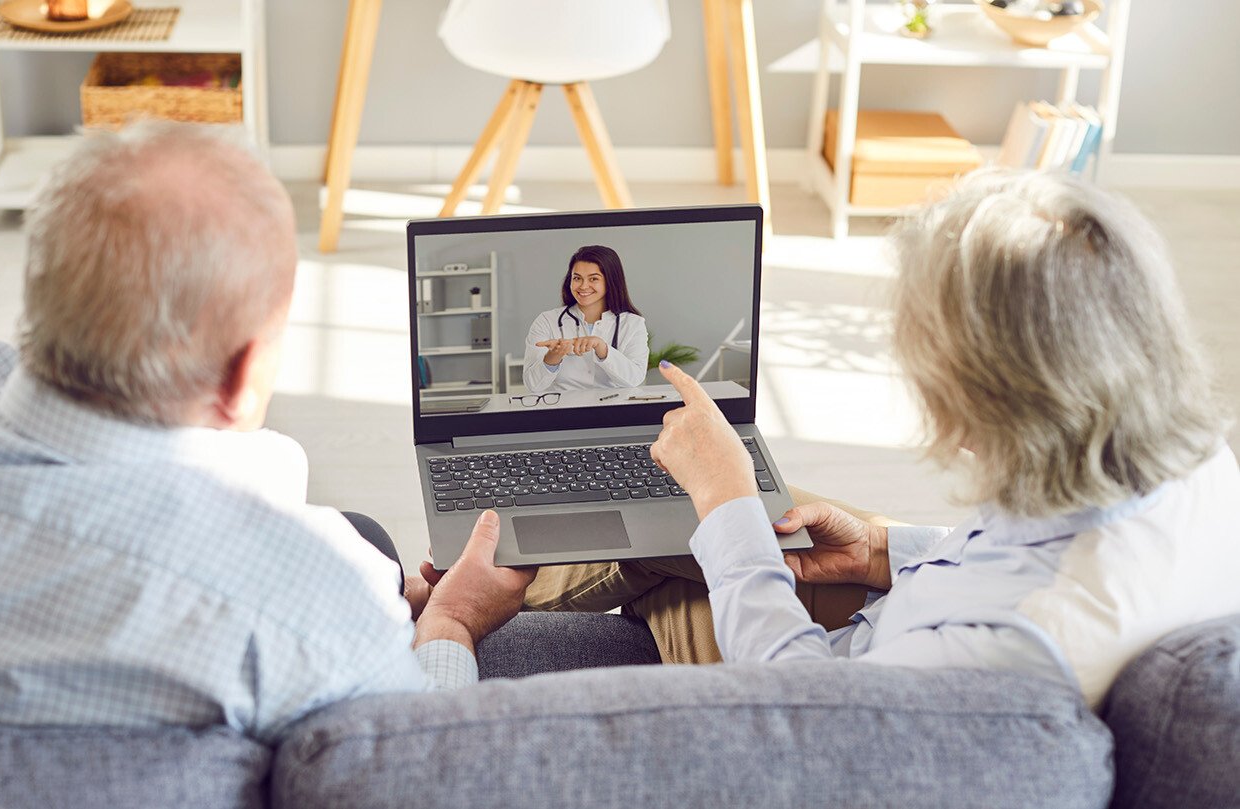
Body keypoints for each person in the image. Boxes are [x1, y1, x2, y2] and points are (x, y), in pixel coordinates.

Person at [525, 169, 1240, 708]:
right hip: (893, 609)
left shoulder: (1022, 646)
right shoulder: (1189, 458)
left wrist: (722, 502)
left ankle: (457, 611)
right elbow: (1020, 555)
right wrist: (880, 552)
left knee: (686, 527)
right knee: (710, 506)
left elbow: (814, 710)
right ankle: (483, 583)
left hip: (811, 686)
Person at [0, 122, 534, 744]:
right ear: (242, 375)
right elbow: (415, 760)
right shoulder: (293, 608)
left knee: (368, 539)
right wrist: (454, 617)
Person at [523, 245, 648, 394]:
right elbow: (532, 385)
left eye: (593, 278)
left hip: (613, 411)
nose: (583, 286)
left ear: (610, 281)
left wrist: (603, 348)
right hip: (563, 411)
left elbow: (635, 378)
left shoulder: (633, 324)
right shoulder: (546, 321)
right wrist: (553, 357)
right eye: (577, 278)